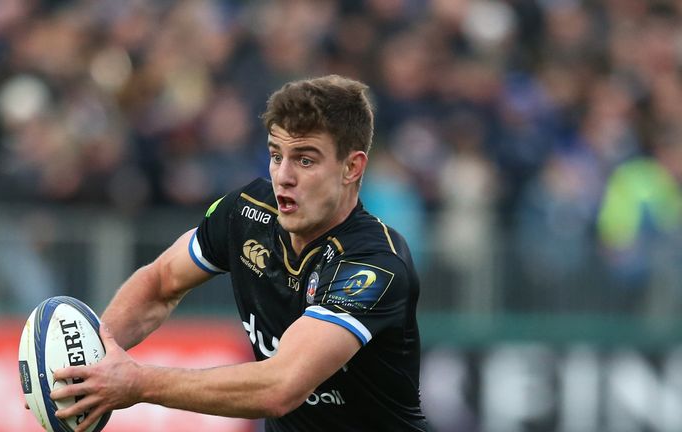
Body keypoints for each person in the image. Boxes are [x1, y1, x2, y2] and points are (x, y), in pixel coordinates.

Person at [50, 75, 433, 431]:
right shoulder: (247, 212)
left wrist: (137, 382)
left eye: (305, 159)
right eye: (275, 154)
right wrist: (93, 363)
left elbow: (280, 386)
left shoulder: (374, 264)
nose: (283, 175)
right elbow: (160, 282)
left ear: (352, 167)